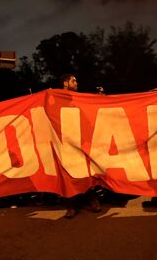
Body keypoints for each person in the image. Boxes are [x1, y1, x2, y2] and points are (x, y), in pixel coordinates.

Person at [59, 74, 102, 218]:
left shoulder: (80, 99)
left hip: (80, 142)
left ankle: (92, 199)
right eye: (73, 81)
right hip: (65, 144)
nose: (76, 83)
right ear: (65, 83)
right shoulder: (56, 99)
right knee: (68, 176)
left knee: (86, 172)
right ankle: (72, 206)